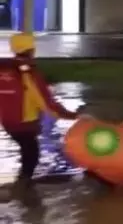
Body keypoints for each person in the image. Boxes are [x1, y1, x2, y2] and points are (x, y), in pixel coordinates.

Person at [0, 33, 80, 188]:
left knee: (26, 150)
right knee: (31, 155)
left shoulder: (4, 69)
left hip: (7, 122)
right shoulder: (28, 73)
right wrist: (73, 116)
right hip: (25, 124)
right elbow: (46, 104)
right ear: (32, 49)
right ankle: (22, 190)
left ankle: (23, 185)